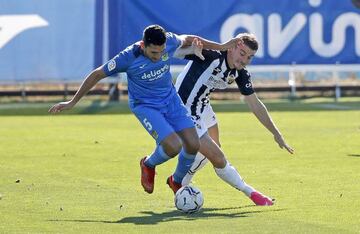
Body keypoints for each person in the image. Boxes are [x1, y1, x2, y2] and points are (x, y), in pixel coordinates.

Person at [48, 25, 239, 194]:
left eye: (161, 52)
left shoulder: (169, 41)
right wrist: (72, 102)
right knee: (173, 146)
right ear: (143, 46)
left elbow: (188, 39)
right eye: (154, 53)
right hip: (146, 106)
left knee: (193, 144)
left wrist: (222, 47)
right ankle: (148, 164)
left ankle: (176, 182)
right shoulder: (127, 57)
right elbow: (97, 74)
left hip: (171, 100)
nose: (158, 57)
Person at [174, 33, 294, 206]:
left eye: (250, 57)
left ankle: (180, 181)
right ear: (232, 47)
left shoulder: (240, 73)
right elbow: (176, 52)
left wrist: (276, 133)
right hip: (183, 108)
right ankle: (252, 193)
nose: (244, 60)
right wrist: (192, 48)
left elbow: (255, 104)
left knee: (214, 147)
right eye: (242, 53)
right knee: (218, 157)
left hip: (202, 106)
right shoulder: (212, 55)